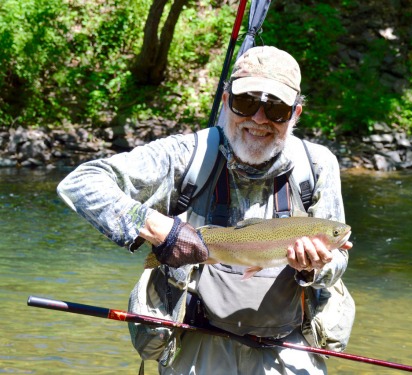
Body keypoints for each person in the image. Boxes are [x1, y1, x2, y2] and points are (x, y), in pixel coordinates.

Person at [57, 46, 353, 375]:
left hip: (288, 345)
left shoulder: (316, 165)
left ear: (295, 114)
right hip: (196, 340)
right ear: (226, 101)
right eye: (246, 102)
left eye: (276, 109)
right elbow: (80, 183)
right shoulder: (186, 155)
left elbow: (339, 260)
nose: (258, 119)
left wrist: (315, 267)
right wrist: (161, 230)